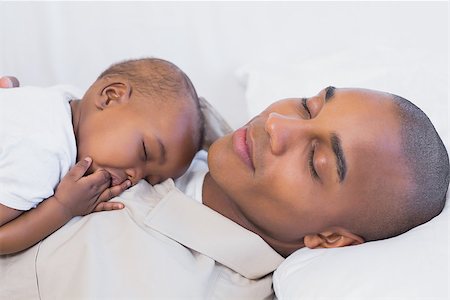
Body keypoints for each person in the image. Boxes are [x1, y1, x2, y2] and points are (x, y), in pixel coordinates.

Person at [0, 83, 448, 298]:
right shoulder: (177, 117)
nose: (276, 125)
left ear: (330, 239)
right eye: (308, 106)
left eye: (317, 161)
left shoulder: (173, 287)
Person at [0, 58, 203, 255]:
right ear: (110, 96)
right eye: (145, 152)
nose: (135, 176)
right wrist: (63, 207)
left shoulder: (64, 99)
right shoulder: (44, 153)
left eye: (148, 179)